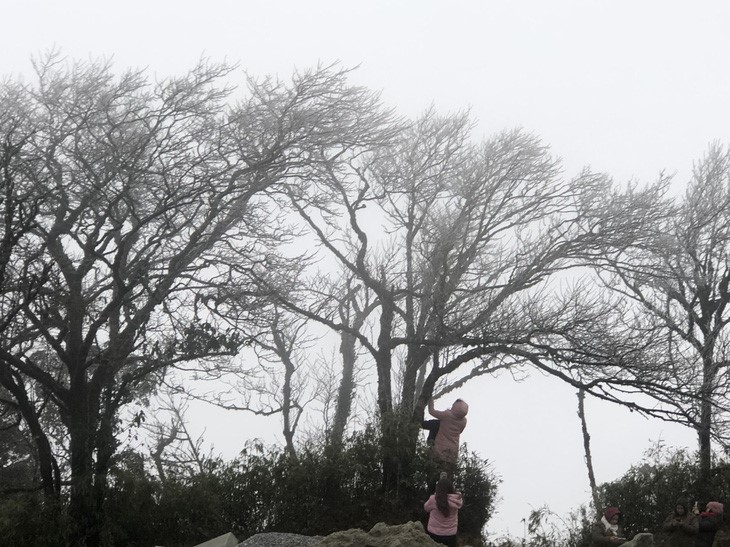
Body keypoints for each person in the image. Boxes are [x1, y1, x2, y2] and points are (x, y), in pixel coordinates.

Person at [424, 398, 469, 471]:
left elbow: (432, 411)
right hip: (452, 455)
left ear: (455, 406)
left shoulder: (446, 415)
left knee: (433, 474)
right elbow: (460, 431)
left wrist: (430, 399)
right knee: (446, 478)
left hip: (439, 451)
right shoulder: (464, 421)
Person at [424, 474, 463, 547]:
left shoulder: (434, 499)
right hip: (451, 535)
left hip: (433, 534)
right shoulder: (457, 500)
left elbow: (426, 508)